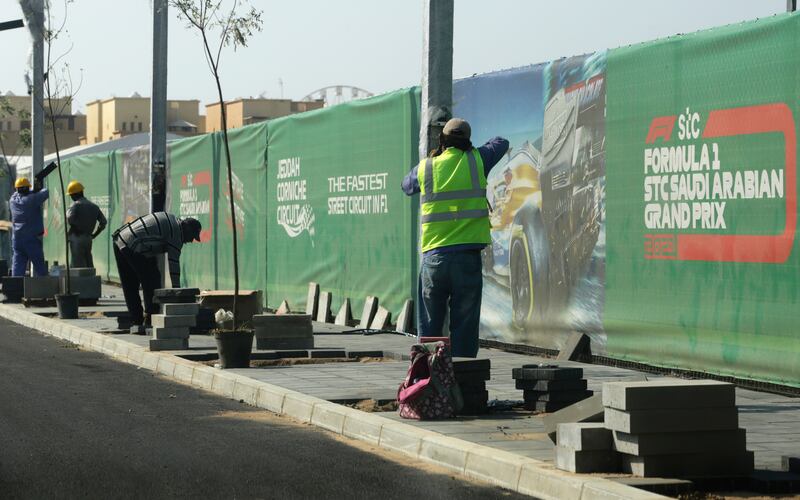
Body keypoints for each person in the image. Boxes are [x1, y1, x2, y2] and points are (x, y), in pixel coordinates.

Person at [401, 118, 509, 358]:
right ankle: (462, 382)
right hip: (467, 260)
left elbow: (406, 186)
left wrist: (436, 155)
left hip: (434, 259)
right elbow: (501, 142)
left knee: (429, 328)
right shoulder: (478, 160)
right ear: (468, 141)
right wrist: (472, 149)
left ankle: (426, 382)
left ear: (442, 140)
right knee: (465, 326)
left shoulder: (426, 167)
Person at [112, 212, 201, 328]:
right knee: (151, 280)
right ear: (187, 229)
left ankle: (137, 320)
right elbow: (173, 265)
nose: (190, 241)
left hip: (120, 239)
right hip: (131, 243)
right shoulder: (177, 232)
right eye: (192, 236)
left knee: (131, 285)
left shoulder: (173, 222)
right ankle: (150, 318)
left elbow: (152, 251)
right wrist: (178, 296)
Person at [9, 176, 49, 277]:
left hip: (17, 239)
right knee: (40, 267)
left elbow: (22, 193)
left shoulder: (13, 200)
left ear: (17, 189)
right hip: (31, 239)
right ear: (27, 188)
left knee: (18, 266)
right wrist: (38, 188)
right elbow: (46, 192)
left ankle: (16, 289)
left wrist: (32, 191)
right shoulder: (32, 199)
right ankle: (44, 288)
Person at [66, 181, 107, 268]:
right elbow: (103, 222)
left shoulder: (75, 205)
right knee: (88, 261)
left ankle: (78, 282)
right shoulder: (94, 206)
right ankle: (90, 280)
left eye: (72, 195)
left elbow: (70, 219)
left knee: (77, 265)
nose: (71, 197)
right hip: (88, 238)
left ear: (78, 193)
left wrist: (77, 229)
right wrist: (94, 235)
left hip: (76, 238)